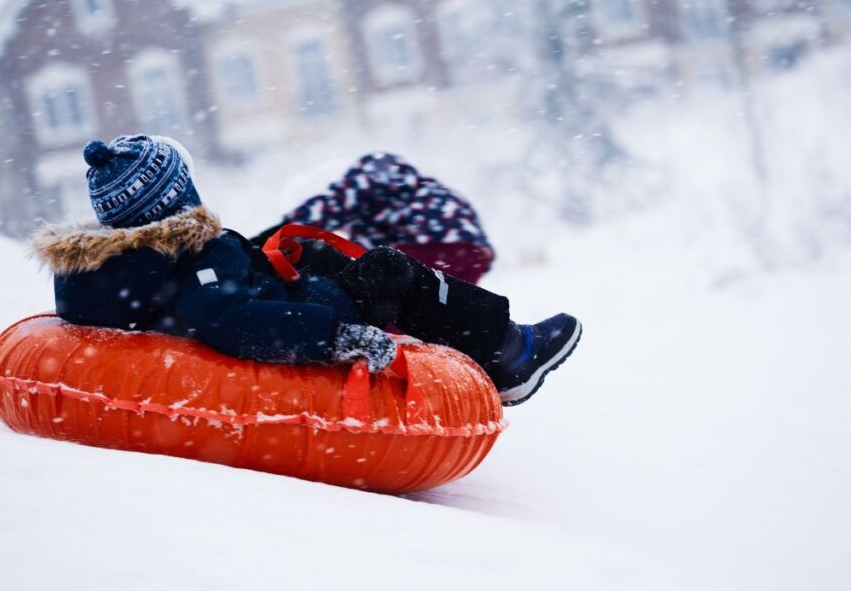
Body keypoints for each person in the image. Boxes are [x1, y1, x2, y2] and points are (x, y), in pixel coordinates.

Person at [32, 136, 581, 406]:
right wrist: (336, 336)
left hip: (280, 290)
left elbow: (203, 294)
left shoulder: (124, 268)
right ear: (176, 196)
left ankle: (484, 348)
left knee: (315, 253)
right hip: (305, 313)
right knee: (389, 272)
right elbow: (226, 315)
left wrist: (256, 255)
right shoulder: (193, 255)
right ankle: (509, 355)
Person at [254, 152, 494, 284]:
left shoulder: (363, 176)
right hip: (473, 251)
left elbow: (322, 211)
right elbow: (367, 258)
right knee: (445, 316)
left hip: (431, 241)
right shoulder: (387, 201)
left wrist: (267, 240)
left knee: (401, 308)